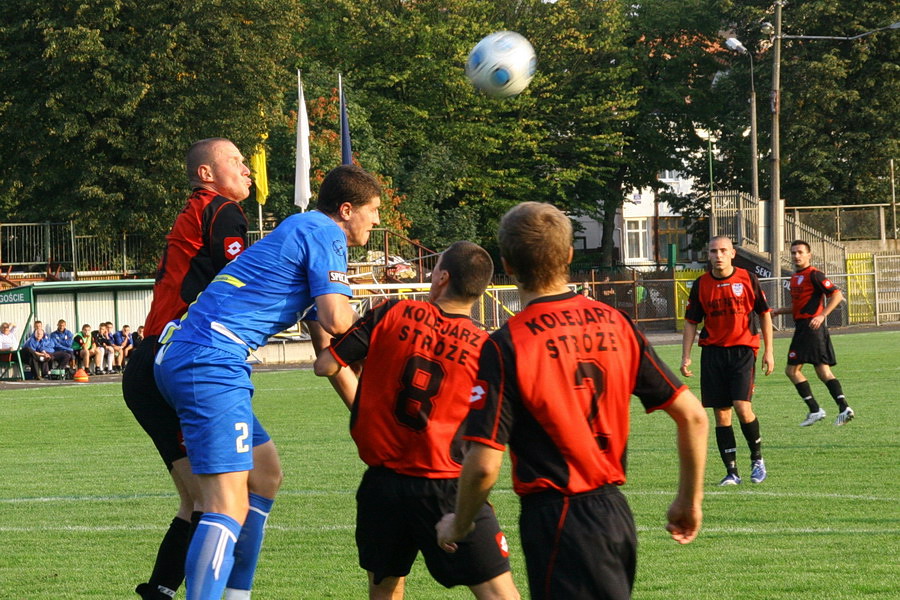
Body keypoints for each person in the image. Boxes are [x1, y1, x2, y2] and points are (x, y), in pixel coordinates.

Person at [436, 202, 708, 600]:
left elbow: (483, 466)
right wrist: (689, 500)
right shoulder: (615, 323)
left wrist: (458, 526)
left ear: (508, 266)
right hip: (615, 515)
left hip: (559, 517)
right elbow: (693, 417)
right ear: (568, 256)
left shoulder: (508, 344)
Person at [154, 163, 381, 600]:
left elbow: (325, 347)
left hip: (198, 355)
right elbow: (338, 319)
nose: (376, 221)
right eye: (372, 211)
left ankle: (237, 595)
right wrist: (387, 329)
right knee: (226, 505)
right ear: (347, 209)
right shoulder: (323, 232)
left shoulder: (304, 231)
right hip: (210, 359)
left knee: (264, 476)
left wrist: (368, 414)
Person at [314, 241, 519, 600]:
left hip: (384, 484)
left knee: (385, 589)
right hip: (446, 485)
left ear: (442, 277)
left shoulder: (392, 312)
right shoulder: (484, 346)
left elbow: (326, 365)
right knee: (500, 594)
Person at [123, 137, 276, 600]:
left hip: (158, 360)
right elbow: (238, 283)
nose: (248, 170)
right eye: (236, 162)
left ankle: (164, 589)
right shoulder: (221, 212)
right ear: (206, 174)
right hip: (174, 362)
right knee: (217, 501)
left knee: (242, 482)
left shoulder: (201, 211)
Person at [680, 235, 774, 486]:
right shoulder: (701, 285)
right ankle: (732, 472)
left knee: (742, 407)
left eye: (723, 250)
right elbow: (691, 322)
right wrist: (686, 355)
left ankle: (757, 460)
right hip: (713, 353)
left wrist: (769, 351)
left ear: (732, 253)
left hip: (743, 351)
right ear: (708, 255)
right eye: (713, 251)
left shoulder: (747, 279)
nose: (718, 255)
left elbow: (764, 314)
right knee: (722, 415)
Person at [773, 240, 854, 427]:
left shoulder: (814, 274)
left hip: (810, 328)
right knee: (822, 371)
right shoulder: (795, 278)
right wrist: (778, 311)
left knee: (792, 370)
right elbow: (797, 307)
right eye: (793, 252)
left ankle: (815, 409)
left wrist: (822, 315)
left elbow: (837, 295)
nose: (796, 256)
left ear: (809, 255)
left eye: (800, 252)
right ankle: (843, 408)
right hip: (805, 327)